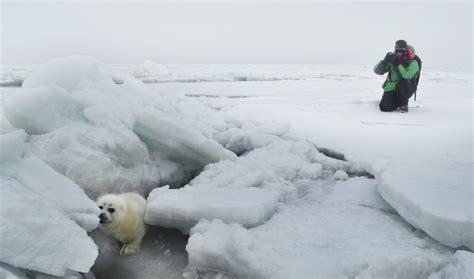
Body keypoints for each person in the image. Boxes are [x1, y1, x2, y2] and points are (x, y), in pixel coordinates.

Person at [374, 40, 420, 113]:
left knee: (403, 83)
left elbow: (407, 76)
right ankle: (397, 102)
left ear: (405, 52)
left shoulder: (413, 63)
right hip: (391, 87)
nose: (399, 54)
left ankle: (403, 104)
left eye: (401, 52)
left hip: (406, 87)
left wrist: (397, 65)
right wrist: (385, 61)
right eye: (397, 51)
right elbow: (377, 71)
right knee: (384, 107)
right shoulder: (394, 60)